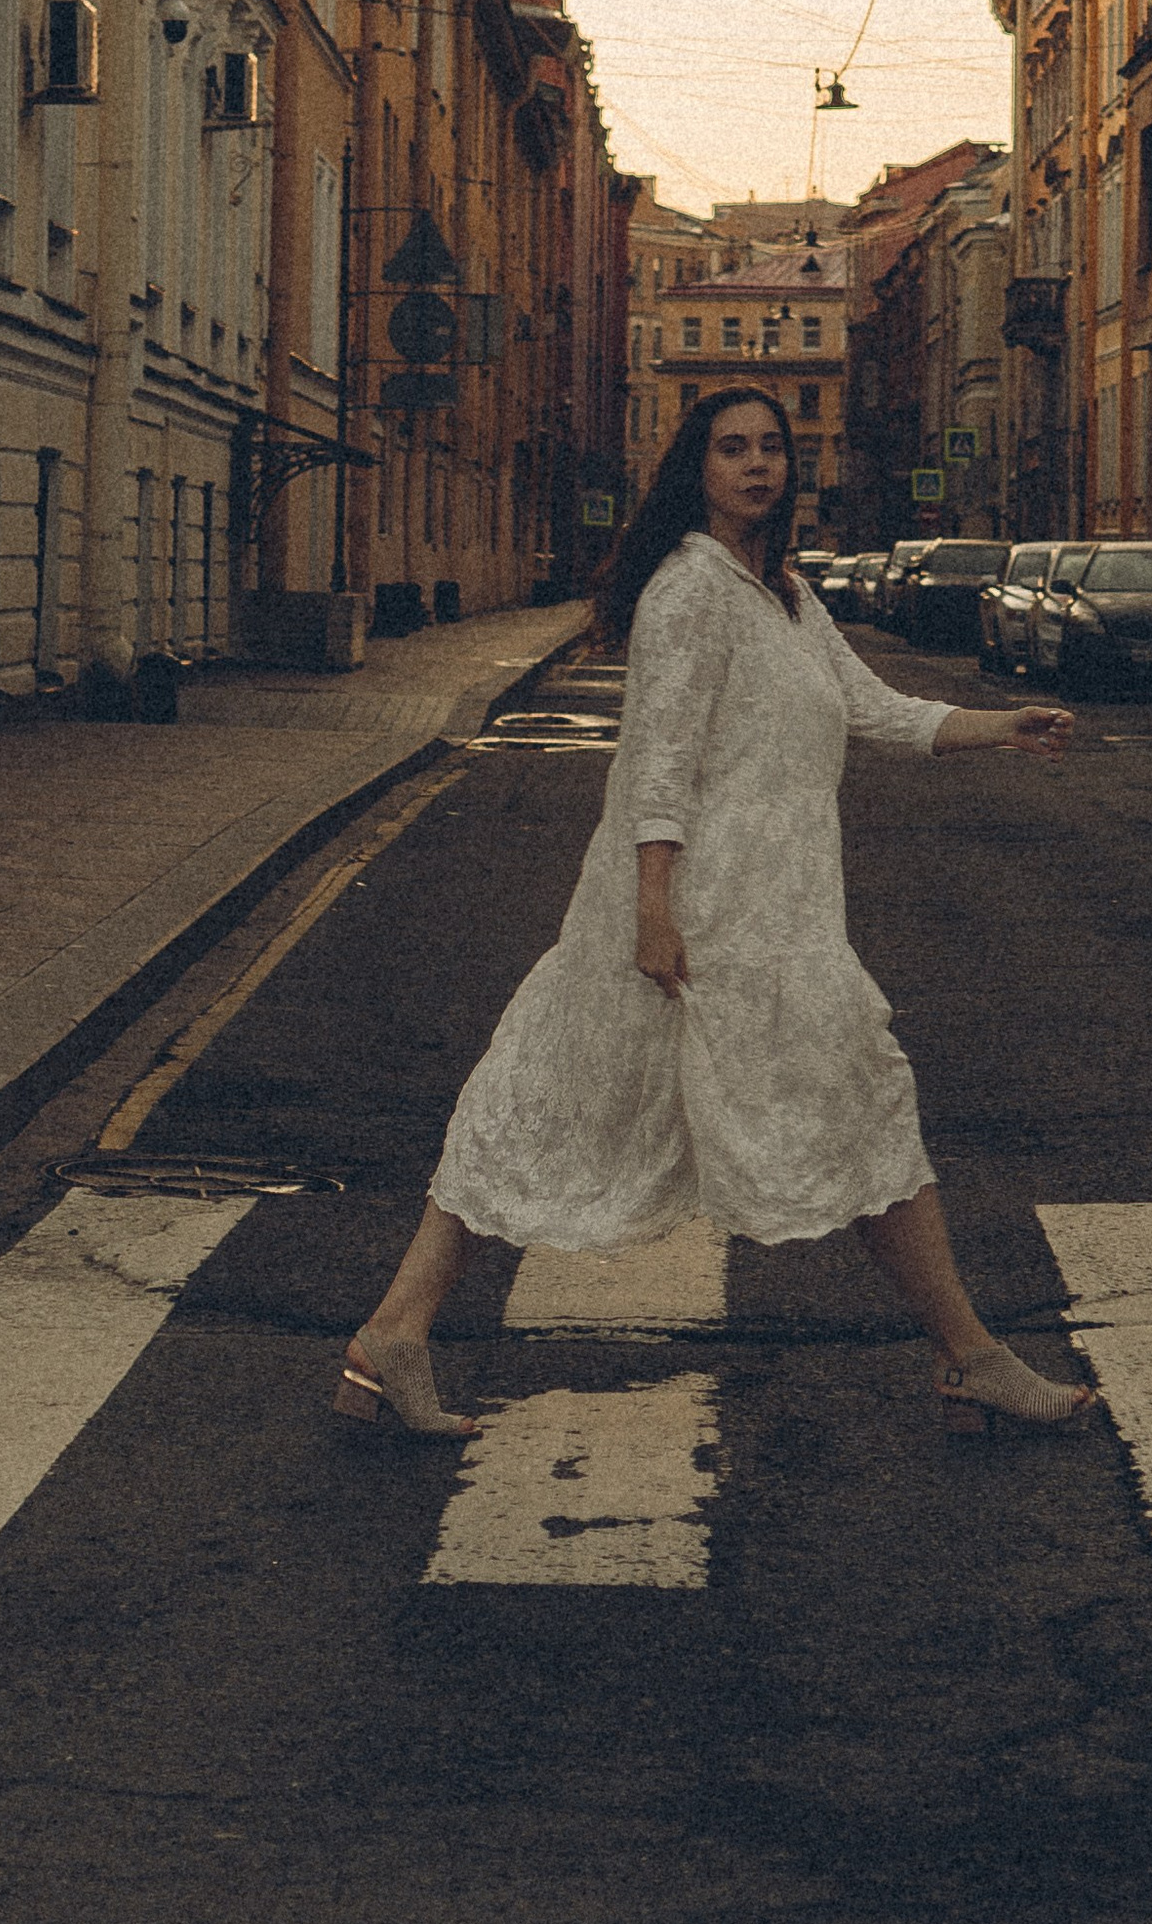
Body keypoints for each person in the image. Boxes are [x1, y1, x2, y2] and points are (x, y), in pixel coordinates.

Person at [337, 382, 1100, 1443]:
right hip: (692, 923)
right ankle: (971, 1356)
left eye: (772, 449)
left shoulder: (782, 591)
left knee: (819, 1111)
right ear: (696, 468)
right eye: (733, 449)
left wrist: (999, 725)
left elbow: (875, 710)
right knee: (561, 1106)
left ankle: (392, 1334)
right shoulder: (688, 590)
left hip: (776, 918)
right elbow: (656, 760)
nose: (757, 465)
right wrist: (653, 910)